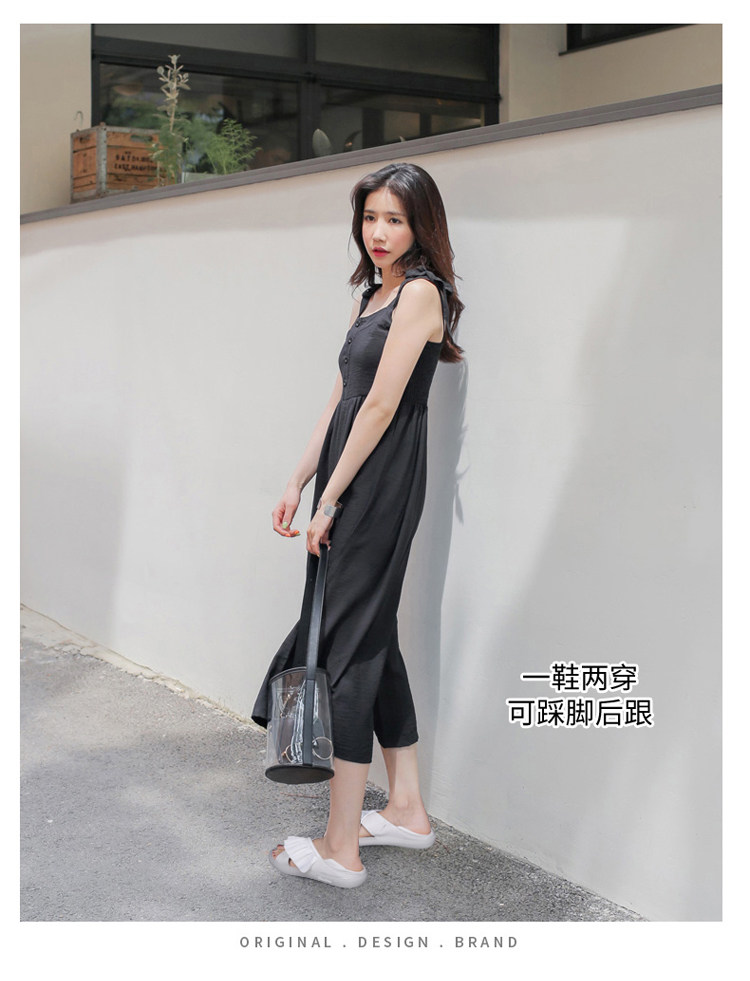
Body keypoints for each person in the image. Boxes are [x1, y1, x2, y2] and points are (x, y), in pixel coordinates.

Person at [252, 161, 464, 888]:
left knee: (346, 647)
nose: (379, 232)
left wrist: (331, 500)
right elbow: (341, 398)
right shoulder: (371, 295)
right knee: (372, 635)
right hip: (347, 479)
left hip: (378, 485)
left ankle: (342, 847)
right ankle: (406, 808)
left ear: (421, 225)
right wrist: (298, 479)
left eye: (394, 220)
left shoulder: (423, 295)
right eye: (371, 217)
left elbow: (379, 408)